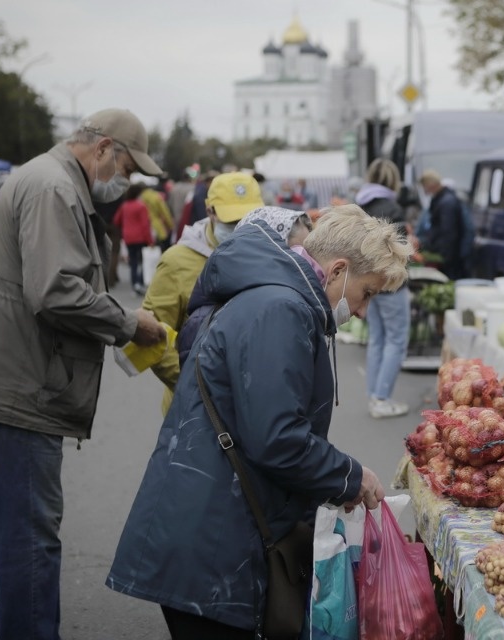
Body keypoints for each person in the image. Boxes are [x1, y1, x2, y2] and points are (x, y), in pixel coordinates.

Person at [107, 204, 411, 639]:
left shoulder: (278, 298)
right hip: (210, 538)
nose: (362, 311)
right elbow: (277, 438)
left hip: (211, 525)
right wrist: (349, 475)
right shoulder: (281, 308)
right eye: (367, 293)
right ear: (338, 269)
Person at [0, 107, 167, 640]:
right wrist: (129, 323)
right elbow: (56, 290)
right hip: (23, 383)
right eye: (128, 168)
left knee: (20, 528)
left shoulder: (46, 180)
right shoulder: (53, 189)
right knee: (30, 534)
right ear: (103, 147)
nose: (126, 182)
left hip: (8, 372)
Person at [142, 171, 265, 415]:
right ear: (210, 211)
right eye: (232, 222)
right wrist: (195, 384)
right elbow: (151, 334)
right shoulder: (177, 261)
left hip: (253, 411)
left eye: (249, 219)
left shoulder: (268, 255)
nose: (241, 228)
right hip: (192, 412)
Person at [175, 205, 314, 366]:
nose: (306, 263)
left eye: (307, 254)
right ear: (265, 251)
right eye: (296, 252)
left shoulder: (288, 308)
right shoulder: (213, 318)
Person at [356, 159, 412, 418]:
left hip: (368, 282)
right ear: (393, 180)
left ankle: (373, 395)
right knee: (396, 340)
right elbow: (397, 251)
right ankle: (381, 398)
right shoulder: (391, 207)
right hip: (391, 284)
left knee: (378, 339)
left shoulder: (360, 205)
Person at [419, 169, 464, 279]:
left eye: (425, 186)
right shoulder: (443, 200)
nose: (425, 190)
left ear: (431, 185)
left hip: (447, 257)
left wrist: (443, 258)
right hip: (445, 253)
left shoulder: (446, 203)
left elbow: (448, 232)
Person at [112, 183, 154, 294]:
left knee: (133, 261)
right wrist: (150, 240)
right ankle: (139, 282)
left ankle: (134, 283)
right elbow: (145, 224)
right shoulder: (141, 206)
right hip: (140, 238)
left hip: (128, 237)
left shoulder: (124, 206)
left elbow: (116, 220)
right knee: (142, 261)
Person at [140, 183, 175, 252]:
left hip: (142, 228)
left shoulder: (140, 197)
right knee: (159, 250)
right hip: (156, 226)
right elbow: (165, 212)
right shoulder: (156, 196)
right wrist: (170, 225)